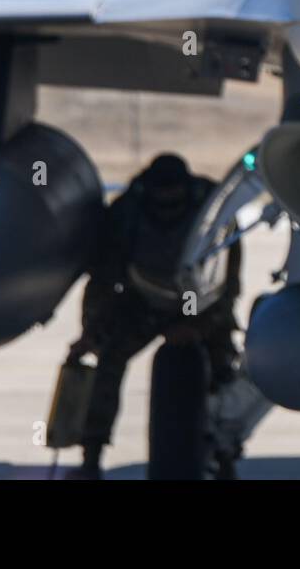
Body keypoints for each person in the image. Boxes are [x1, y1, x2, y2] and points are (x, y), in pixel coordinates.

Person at [61, 153, 244, 479]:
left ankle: (223, 453)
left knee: (222, 374)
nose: (167, 206)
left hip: (197, 305)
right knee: (108, 363)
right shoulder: (126, 214)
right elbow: (103, 278)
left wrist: (199, 326)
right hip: (140, 302)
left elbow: (226, 285)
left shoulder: (213, 215)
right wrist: (91, 331)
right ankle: (92, 454)